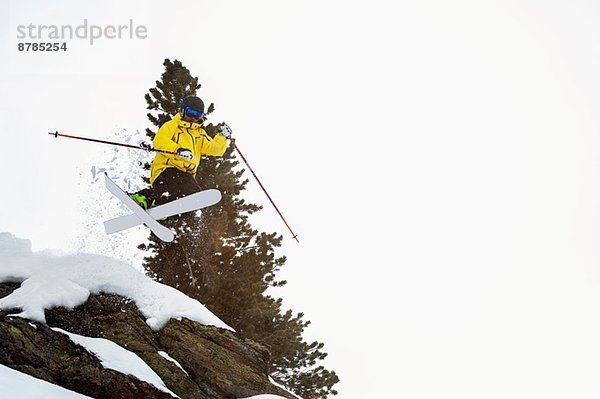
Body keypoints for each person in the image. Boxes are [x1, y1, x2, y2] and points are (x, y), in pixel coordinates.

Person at [130, 95, 232, 209]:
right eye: (190, 112)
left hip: (187, 175)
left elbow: (216, 149)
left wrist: (222, 137)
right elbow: (160, 140)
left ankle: (164, 210)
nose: (193, 117)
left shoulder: (200, 134)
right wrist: (177, 150)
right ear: (182, 111)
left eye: (197, 114)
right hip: (165, 168)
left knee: (191, 196)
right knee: (174, 183)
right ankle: (143, 197)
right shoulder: (172, 126)